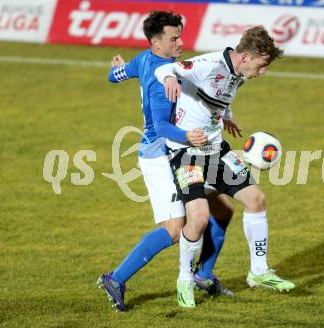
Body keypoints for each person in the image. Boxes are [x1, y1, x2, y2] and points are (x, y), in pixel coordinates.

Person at [97, 11, 236, 312]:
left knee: (222, 210)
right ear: (155, 42)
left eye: (180, 35)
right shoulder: (163, 83)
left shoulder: (144, 60)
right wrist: (190, 136)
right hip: (161, 154)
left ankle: (203, 274)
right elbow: (160, 126)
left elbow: (114, 76)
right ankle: (115, 279)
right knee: (176, 227)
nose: (181, 42)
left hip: (182, 151)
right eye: (174, 38)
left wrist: (118, 69)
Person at [155, 26, 296, 308]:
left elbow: (220, 97)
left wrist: (227, 117)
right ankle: (185, 279)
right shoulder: (209, 65)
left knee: (256, 199)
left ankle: (258, 272)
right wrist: (170, 77)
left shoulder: (238, 74)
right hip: (186, 153)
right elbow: (165, 70)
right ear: (245, 57)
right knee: (199, 218)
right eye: (262, 64)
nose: (263, 71)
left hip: (216, 150)